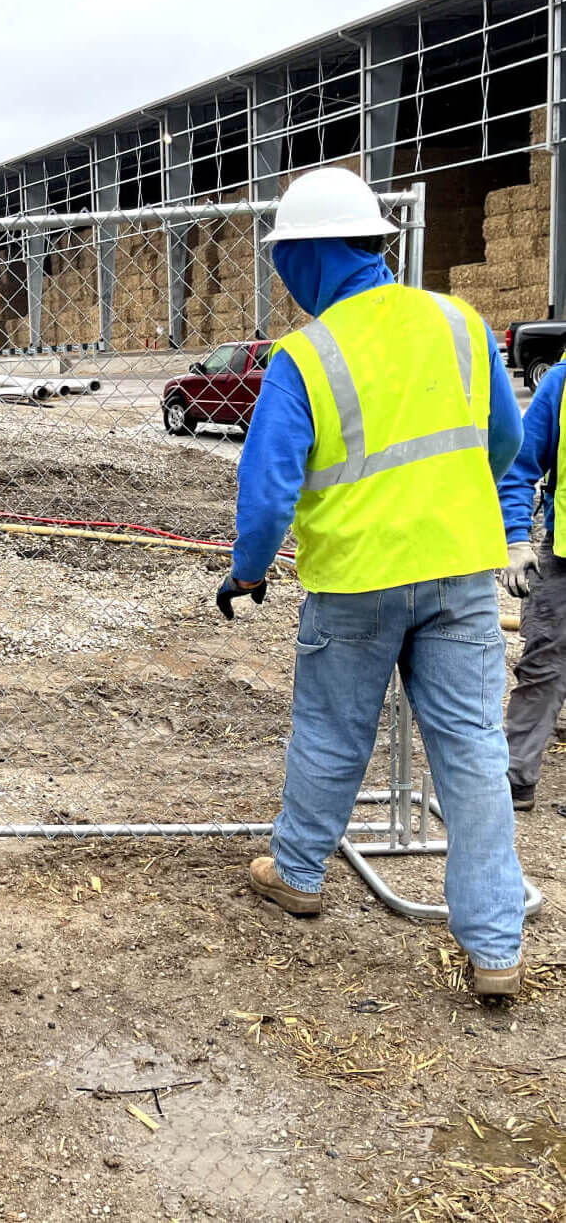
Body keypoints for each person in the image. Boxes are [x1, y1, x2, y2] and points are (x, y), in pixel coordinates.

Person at [216, 167, 528, 998]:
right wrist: (453, 505)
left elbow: (267, 490)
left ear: (311, 255)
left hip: (355, 580)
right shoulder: (458, 322)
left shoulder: (305, 356)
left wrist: (247, 573)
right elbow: (501, 440)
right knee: (470, 749)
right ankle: (495, 948)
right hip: (460, 567)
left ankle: (298, 872)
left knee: (330, 733)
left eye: (285, 255)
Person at [496, 359, 566, 812]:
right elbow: (519, 462)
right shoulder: (562, 382)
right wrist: (516, 536)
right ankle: (516, 776)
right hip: (563, 556)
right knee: (543, 663)